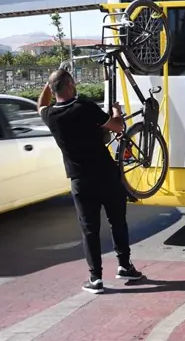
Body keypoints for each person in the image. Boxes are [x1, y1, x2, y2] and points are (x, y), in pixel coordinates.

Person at [37, 69, 144, 293]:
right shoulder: (84, 107)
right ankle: (124, 266)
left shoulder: (50, 116)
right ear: (70, 86)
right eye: (72, 83)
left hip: (79, 180)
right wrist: (116, 111)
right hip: (105, 174)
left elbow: (41, 105)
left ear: (53, 89)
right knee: (118, 222)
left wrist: (49, 84)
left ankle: (96, 279)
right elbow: (117, 127)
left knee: (90, 230)